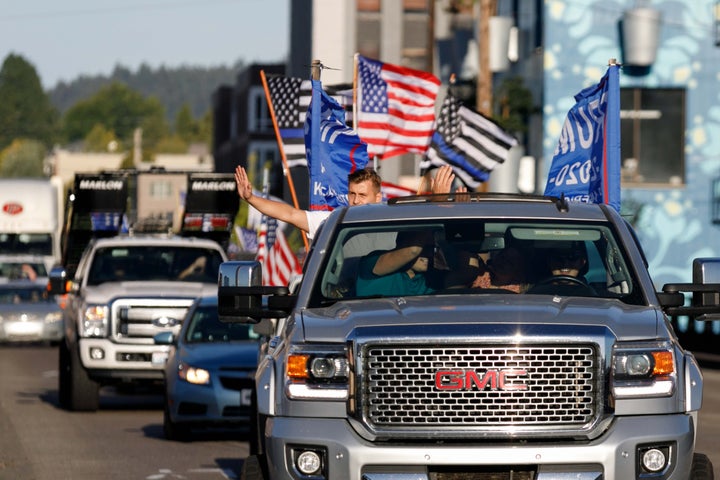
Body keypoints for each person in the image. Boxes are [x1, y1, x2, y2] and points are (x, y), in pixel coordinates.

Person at [234, 164, 463, 241]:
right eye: (352, 194)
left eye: (362, 196)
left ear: (378, 197)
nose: (355, 201)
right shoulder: (336, 222)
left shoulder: (395, 219)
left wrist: (441, 201)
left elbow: (430, 228)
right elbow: (291, 215)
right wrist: (251, 198)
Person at [356, 230, 436, 297]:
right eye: (422, 248)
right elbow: (412, 251)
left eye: (430, 248)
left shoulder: (431, 279)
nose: (428, 254)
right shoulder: (373, 260)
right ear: (402, 245)